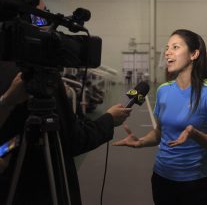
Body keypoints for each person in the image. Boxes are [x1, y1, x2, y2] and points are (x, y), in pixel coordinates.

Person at [113, 29, 207, 205]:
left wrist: (195, 134)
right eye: (167, 48)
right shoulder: (163, 90)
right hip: (162, 179)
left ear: (194, 54)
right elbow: (159, 133)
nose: (167, 52)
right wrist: (141, 141)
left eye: (175, 47)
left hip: (197, 185)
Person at [0, 62, 132, 204]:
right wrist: (109, 119)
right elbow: (74, 140)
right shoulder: (33, 74)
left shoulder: (15, 75)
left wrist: (5, 102)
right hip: (39, 188)